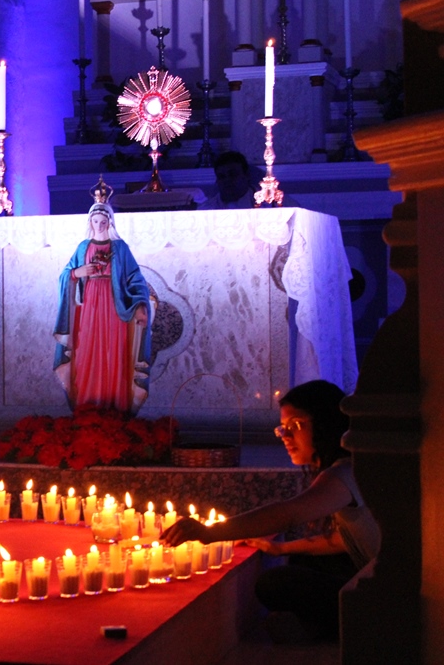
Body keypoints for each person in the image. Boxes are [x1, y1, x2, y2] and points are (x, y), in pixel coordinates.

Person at [160, 380, 381, 641]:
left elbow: (288, 514)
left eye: (296, 425)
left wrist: (210, 533)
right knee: (301, 561)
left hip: (389, 594)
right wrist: (282, 548)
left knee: (275, 583)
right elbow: (347, 539)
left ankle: (341, 633)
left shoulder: (343, 473)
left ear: (326, 423)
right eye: (282, 428)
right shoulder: (346, 467)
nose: (285, 436)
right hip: (375, 573)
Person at [53, 200, 151, 413]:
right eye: (95, 221)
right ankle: (87, 404)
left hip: (115, 305)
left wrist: (140, 304)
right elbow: (65, 274)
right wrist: (77, 273)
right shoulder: (83, 247)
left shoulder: (120, 248)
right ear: (90, 222)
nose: (99, 225)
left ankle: (116, 405)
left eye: (103, 221)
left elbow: (135, 278)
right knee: (87, 350)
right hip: (90, 306)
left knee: (114, 350)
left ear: (110, 222)